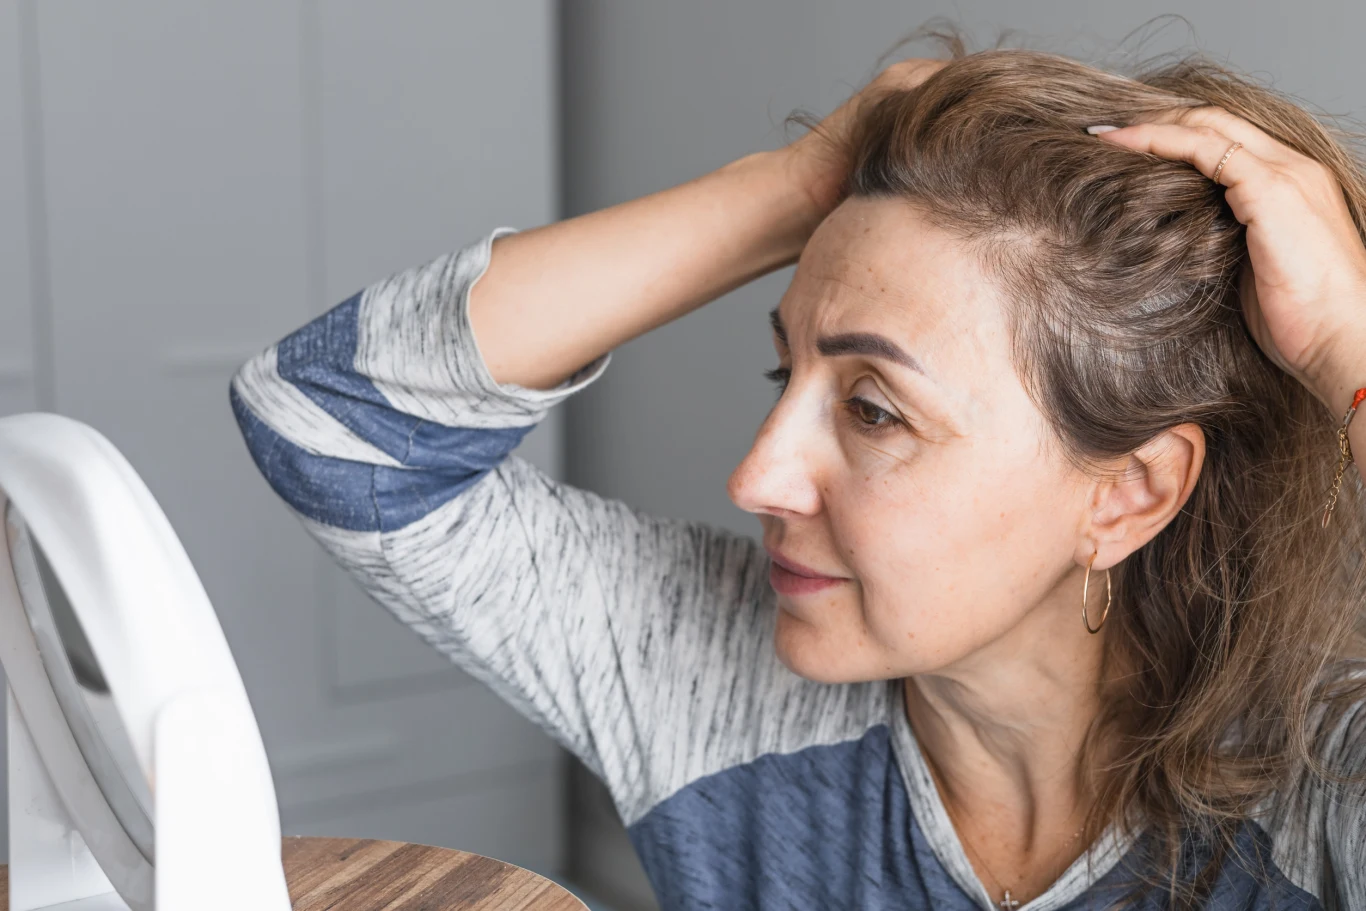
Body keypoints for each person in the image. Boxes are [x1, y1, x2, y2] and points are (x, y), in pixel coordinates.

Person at [230, 31, 1366, 911]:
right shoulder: (712, 682)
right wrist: (794, 185)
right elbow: (329, 419)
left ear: (1127, 493)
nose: (758, 473)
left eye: (873, 409)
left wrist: (1349, 351)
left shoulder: (1319, 792)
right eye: (786, 376)